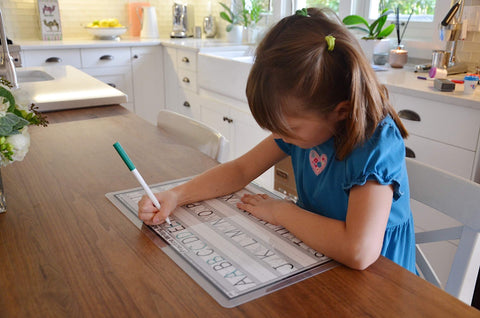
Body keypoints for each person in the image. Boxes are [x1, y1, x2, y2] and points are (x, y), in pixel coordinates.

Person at [138, 7, 416, 273]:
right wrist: (176, 195)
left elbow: (359, 250)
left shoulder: (374, 143)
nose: (281, 137)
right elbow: (241, 170)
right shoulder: (311, 126)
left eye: (288, 127)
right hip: (321, 260)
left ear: (340, 111)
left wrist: (280, 212)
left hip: (381, 282)